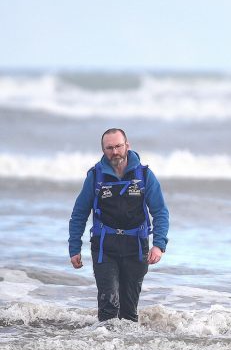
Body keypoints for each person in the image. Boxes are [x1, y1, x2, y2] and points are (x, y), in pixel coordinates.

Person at [68, 128, 169, 322]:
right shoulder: (95, 176)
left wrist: (159, 244)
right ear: (103, 150)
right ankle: (102, 349)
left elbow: (160, 212)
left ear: (127, 146)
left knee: (129, 313)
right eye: (110, 148)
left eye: (118, 146)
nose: (115, 152)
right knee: (108, 306)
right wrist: (74, 248)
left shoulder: (145, 175)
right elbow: (79, 214)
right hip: (105, 247)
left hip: (136, 247)